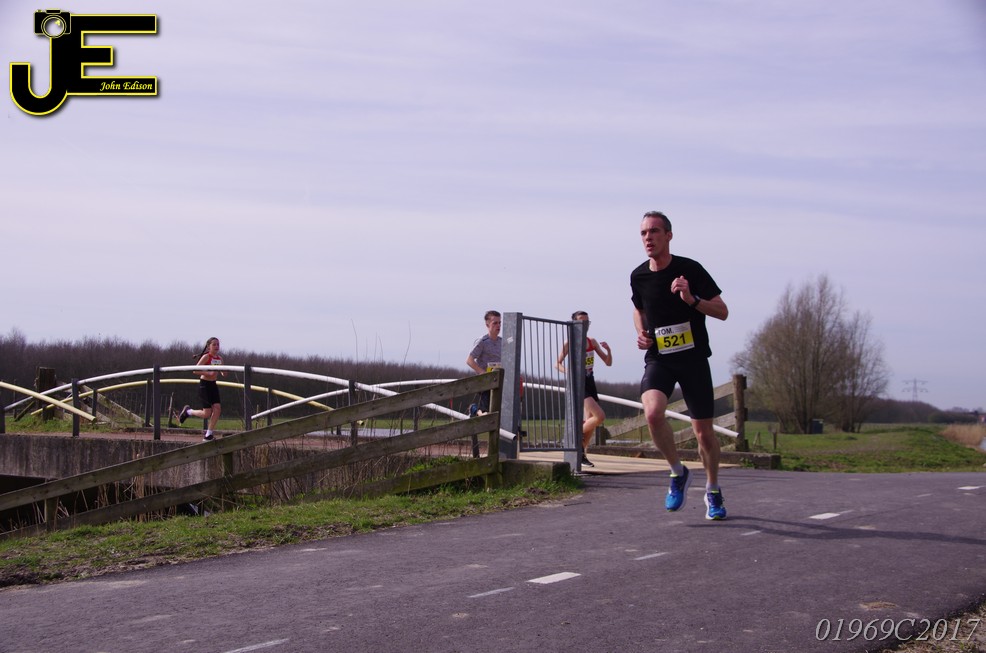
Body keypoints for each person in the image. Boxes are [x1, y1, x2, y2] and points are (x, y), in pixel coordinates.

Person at [631, 211, 730, 520]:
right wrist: (641, 332)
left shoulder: (690, 269)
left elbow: (723, 311)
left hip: (693, 359)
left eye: (654, 231)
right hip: (659, 358)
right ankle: (677, 471)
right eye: (644, 233)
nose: (648, 237)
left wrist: (692, 300)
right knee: (652, 413)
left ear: (668, 236)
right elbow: (638, 309)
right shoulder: (638, 276)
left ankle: (712, 489)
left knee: (704, 434)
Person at [555, 311, 612, 468]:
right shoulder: (569, 342)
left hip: (590, 381)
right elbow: (557, 364)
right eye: (581, 321)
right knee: (599, 416)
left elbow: (608, 362)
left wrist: (609, 351)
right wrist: (569, 372)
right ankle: (572, 437)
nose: (584, 325)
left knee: (590, 421)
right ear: (574, 323)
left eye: (587, 322)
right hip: (578, 382)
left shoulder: (591, 341)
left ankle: (581, 454)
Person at [177, 336, 226, 441]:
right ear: (209, 347)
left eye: (218, 344)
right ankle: (188, 411)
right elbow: (195, 370)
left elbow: (223, 373)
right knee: (206, 413)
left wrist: (224, 372)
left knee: (217, 409)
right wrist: (208, 373)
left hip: (213, 385)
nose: (216, 346)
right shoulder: (206, 357)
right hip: (205, 385)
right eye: (214, 344)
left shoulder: (220, 358)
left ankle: (208, 434)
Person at [465, 310, 502, 416]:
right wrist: (483, 373)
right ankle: (474, 409)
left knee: (497, 411)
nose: (498, 325)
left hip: (498, 381)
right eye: (495, 323)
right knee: (486, 413)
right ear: (487, 324)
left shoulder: (503, 342)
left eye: (499, 323)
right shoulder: (482, 341)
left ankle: (474, 409)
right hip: (485, 381)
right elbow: (469, 360)